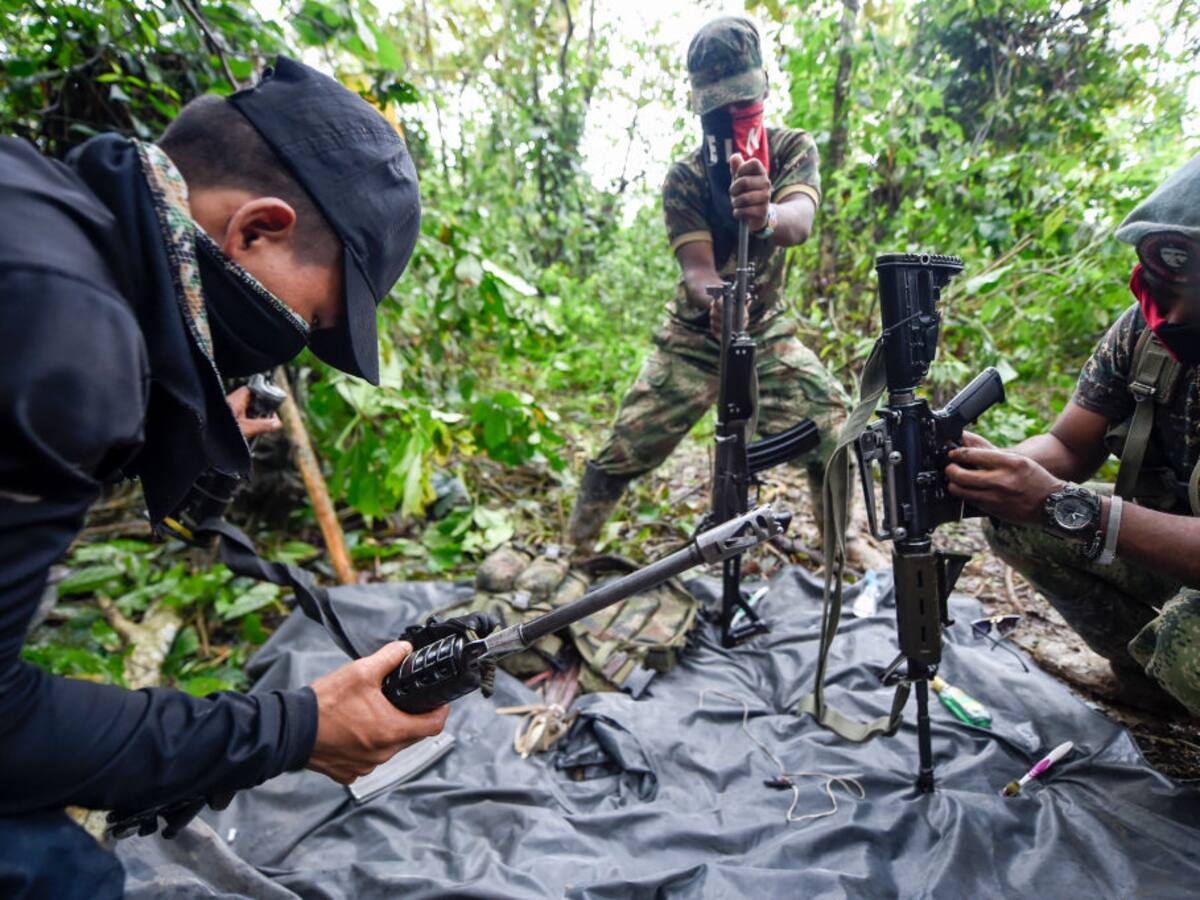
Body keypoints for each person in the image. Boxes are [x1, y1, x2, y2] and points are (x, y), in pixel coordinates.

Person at [0, 58, 446, 896]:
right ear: (255, 231)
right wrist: (291, 728)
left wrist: (157, 421)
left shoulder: (40, 215)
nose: (291, 347)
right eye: (310, 323)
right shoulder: (67, 329)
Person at [566, 17, 879, 567]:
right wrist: (718, 303)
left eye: (739, 97)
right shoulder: (684, 177)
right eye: (715, 101)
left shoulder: (790, 149)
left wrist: (765, 214)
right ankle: (573, 548)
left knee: (835, 427)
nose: (728, 113)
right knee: (622, 447)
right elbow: (696, 270)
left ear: (763, 89)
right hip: (693, 335)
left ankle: (841, 544)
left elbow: (800, 221)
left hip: (768, 331)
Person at [943, 152, 1200, 717]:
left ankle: (1174, 672)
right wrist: (999, 471)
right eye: (1160, 290)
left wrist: (1065, 504)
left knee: (1187, 643)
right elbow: (1068, 446)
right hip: (1167, 545)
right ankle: (1144, 684)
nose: (1174, 315)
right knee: (1019, 524)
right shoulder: (1146, 329)